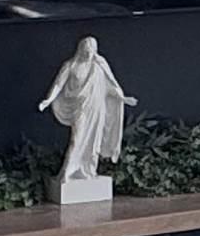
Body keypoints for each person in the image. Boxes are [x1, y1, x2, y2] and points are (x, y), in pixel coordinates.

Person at [41, 36, 136, 201]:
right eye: (86, 50)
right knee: (76, 140)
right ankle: (66, 172)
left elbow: (110, 86)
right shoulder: (70, 66)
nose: (89, 53)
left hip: (96, 108)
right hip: (80, 108)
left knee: (93, 143)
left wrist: (123, 98)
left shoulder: (99, 66)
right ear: (81, 49)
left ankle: (88, 171)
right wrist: (48, 100)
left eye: (92, 50)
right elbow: (58, 84)